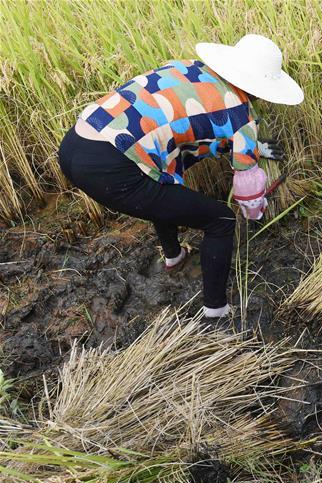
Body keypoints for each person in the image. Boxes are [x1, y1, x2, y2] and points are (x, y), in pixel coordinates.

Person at [57, 34, 303, 318]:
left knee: (161, 184)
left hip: (76, 143)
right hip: (112, 166)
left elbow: (192, 123)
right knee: (220, 220)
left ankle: (174, 257)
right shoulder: (241, 115)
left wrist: (253, 148)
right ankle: (216, 310)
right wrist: (256, 210)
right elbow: (247, 193)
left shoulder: (189, 68)